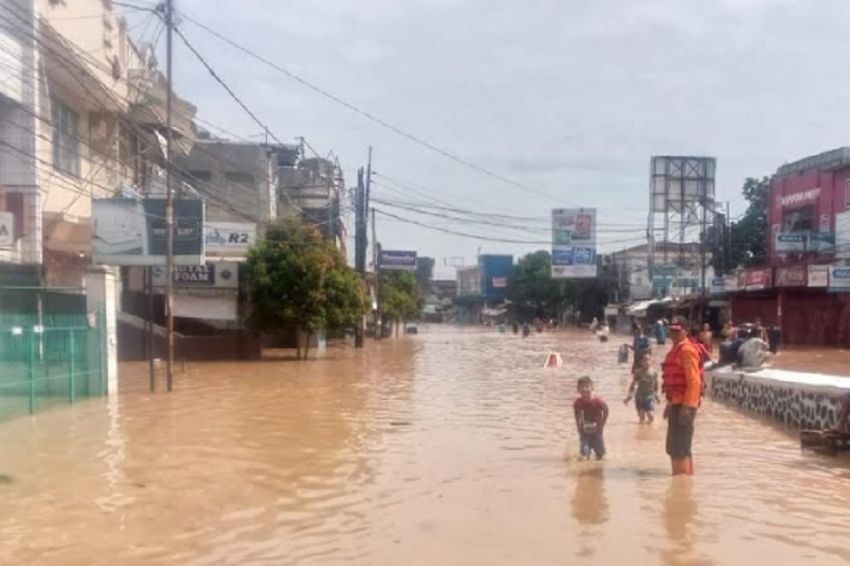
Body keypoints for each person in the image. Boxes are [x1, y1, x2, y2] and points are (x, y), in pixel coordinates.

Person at [661, 315, 701, 476]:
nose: (673, 333)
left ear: (685, 331)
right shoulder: (675, 349)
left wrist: (688, 407)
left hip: (684, 405)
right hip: (676, 404)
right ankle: (684, 480)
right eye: (671, 330)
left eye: (677, 330)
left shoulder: (686, 350)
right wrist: (669, 404)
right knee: (675, 447)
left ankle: (681, 483)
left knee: (679, 448)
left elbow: (694, 381)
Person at [574, 376, 609, 460]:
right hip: (585, 431)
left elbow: (606, 410)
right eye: (581, 387)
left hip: (597, 432)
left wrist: (603, 423)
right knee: (584, 454)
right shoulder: (578, 403)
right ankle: (585, 470)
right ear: (578, 389)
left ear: (592, 387)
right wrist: (578, 427)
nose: (584, 389)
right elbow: (577, 415)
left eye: (587, 386)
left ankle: (597, 471)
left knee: (600, 456)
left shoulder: (598, 401)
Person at [625, 352, 660, 424]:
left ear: (651, 361)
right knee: (641, 416)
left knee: (651, 415)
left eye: (648, 360)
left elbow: (656, 384)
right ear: (641, 362)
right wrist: (629, 396)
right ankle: (642, 431)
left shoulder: (654, 372)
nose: (646, 362)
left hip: (649, 397)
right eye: (644, 360)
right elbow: (633, 384)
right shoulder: (638, 372)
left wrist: (657, 395)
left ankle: (650, 430)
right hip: (639, 397)